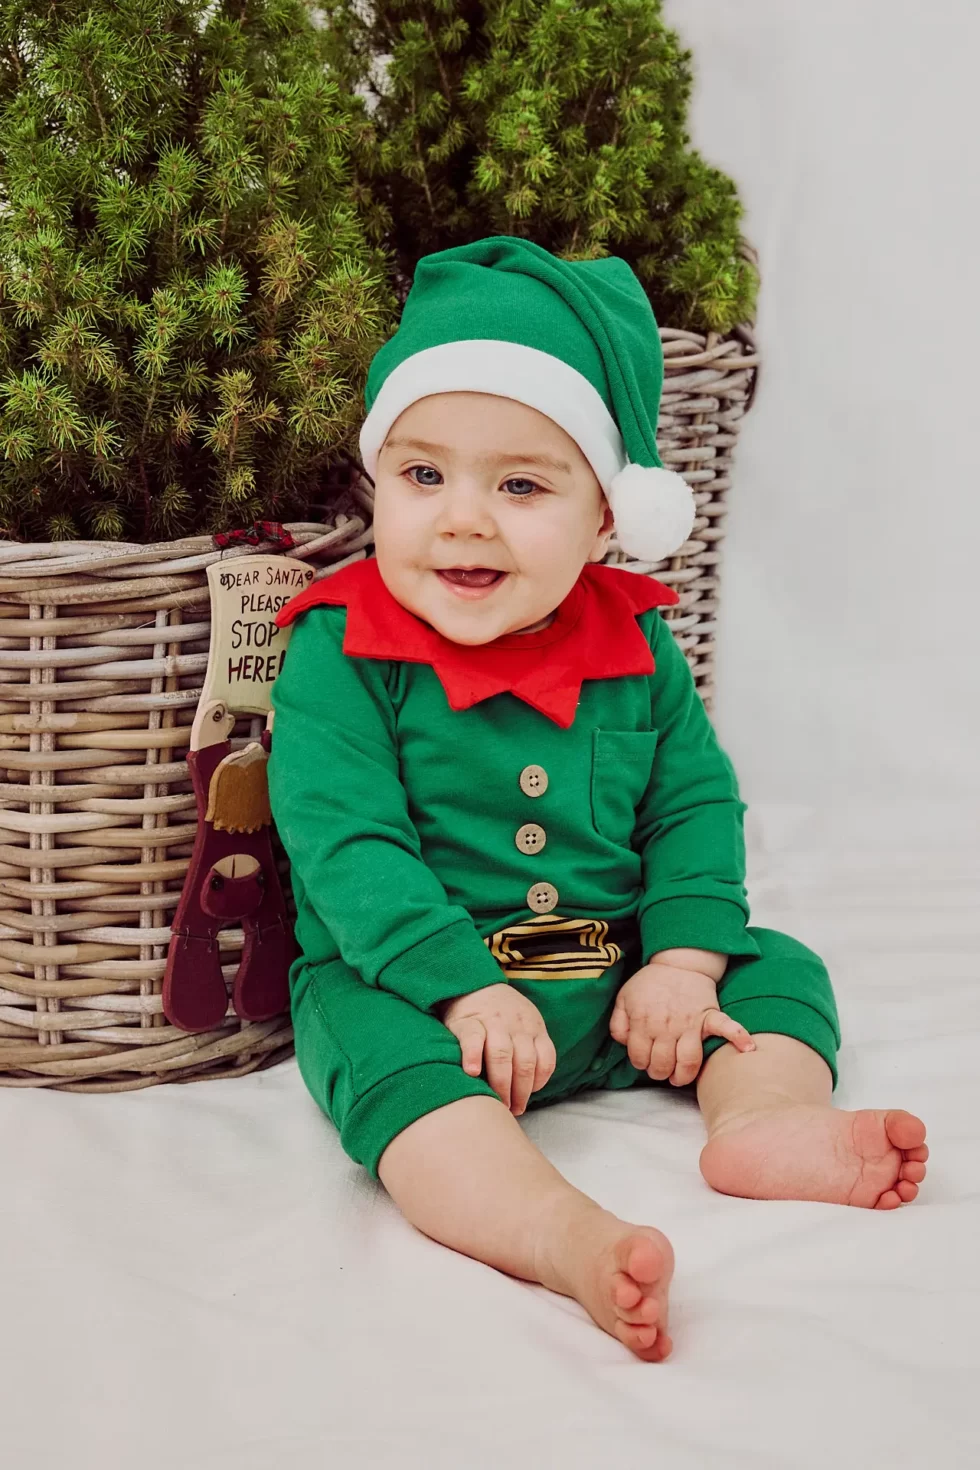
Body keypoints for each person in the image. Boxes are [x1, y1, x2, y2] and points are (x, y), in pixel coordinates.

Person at [267, 236, 928, 1363]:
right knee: (382, 1067)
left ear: (606, 517)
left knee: (774, 968)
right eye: (422, 476)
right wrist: (459, 986)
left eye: (520, 485)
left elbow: (689, 805)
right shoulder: (342, 647)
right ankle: (548, 1227)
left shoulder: (635, 644)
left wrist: (678, 962)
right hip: (420, 987)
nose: (463, 518)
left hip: (614, 978)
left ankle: (761, 1120)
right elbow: (346, 842)